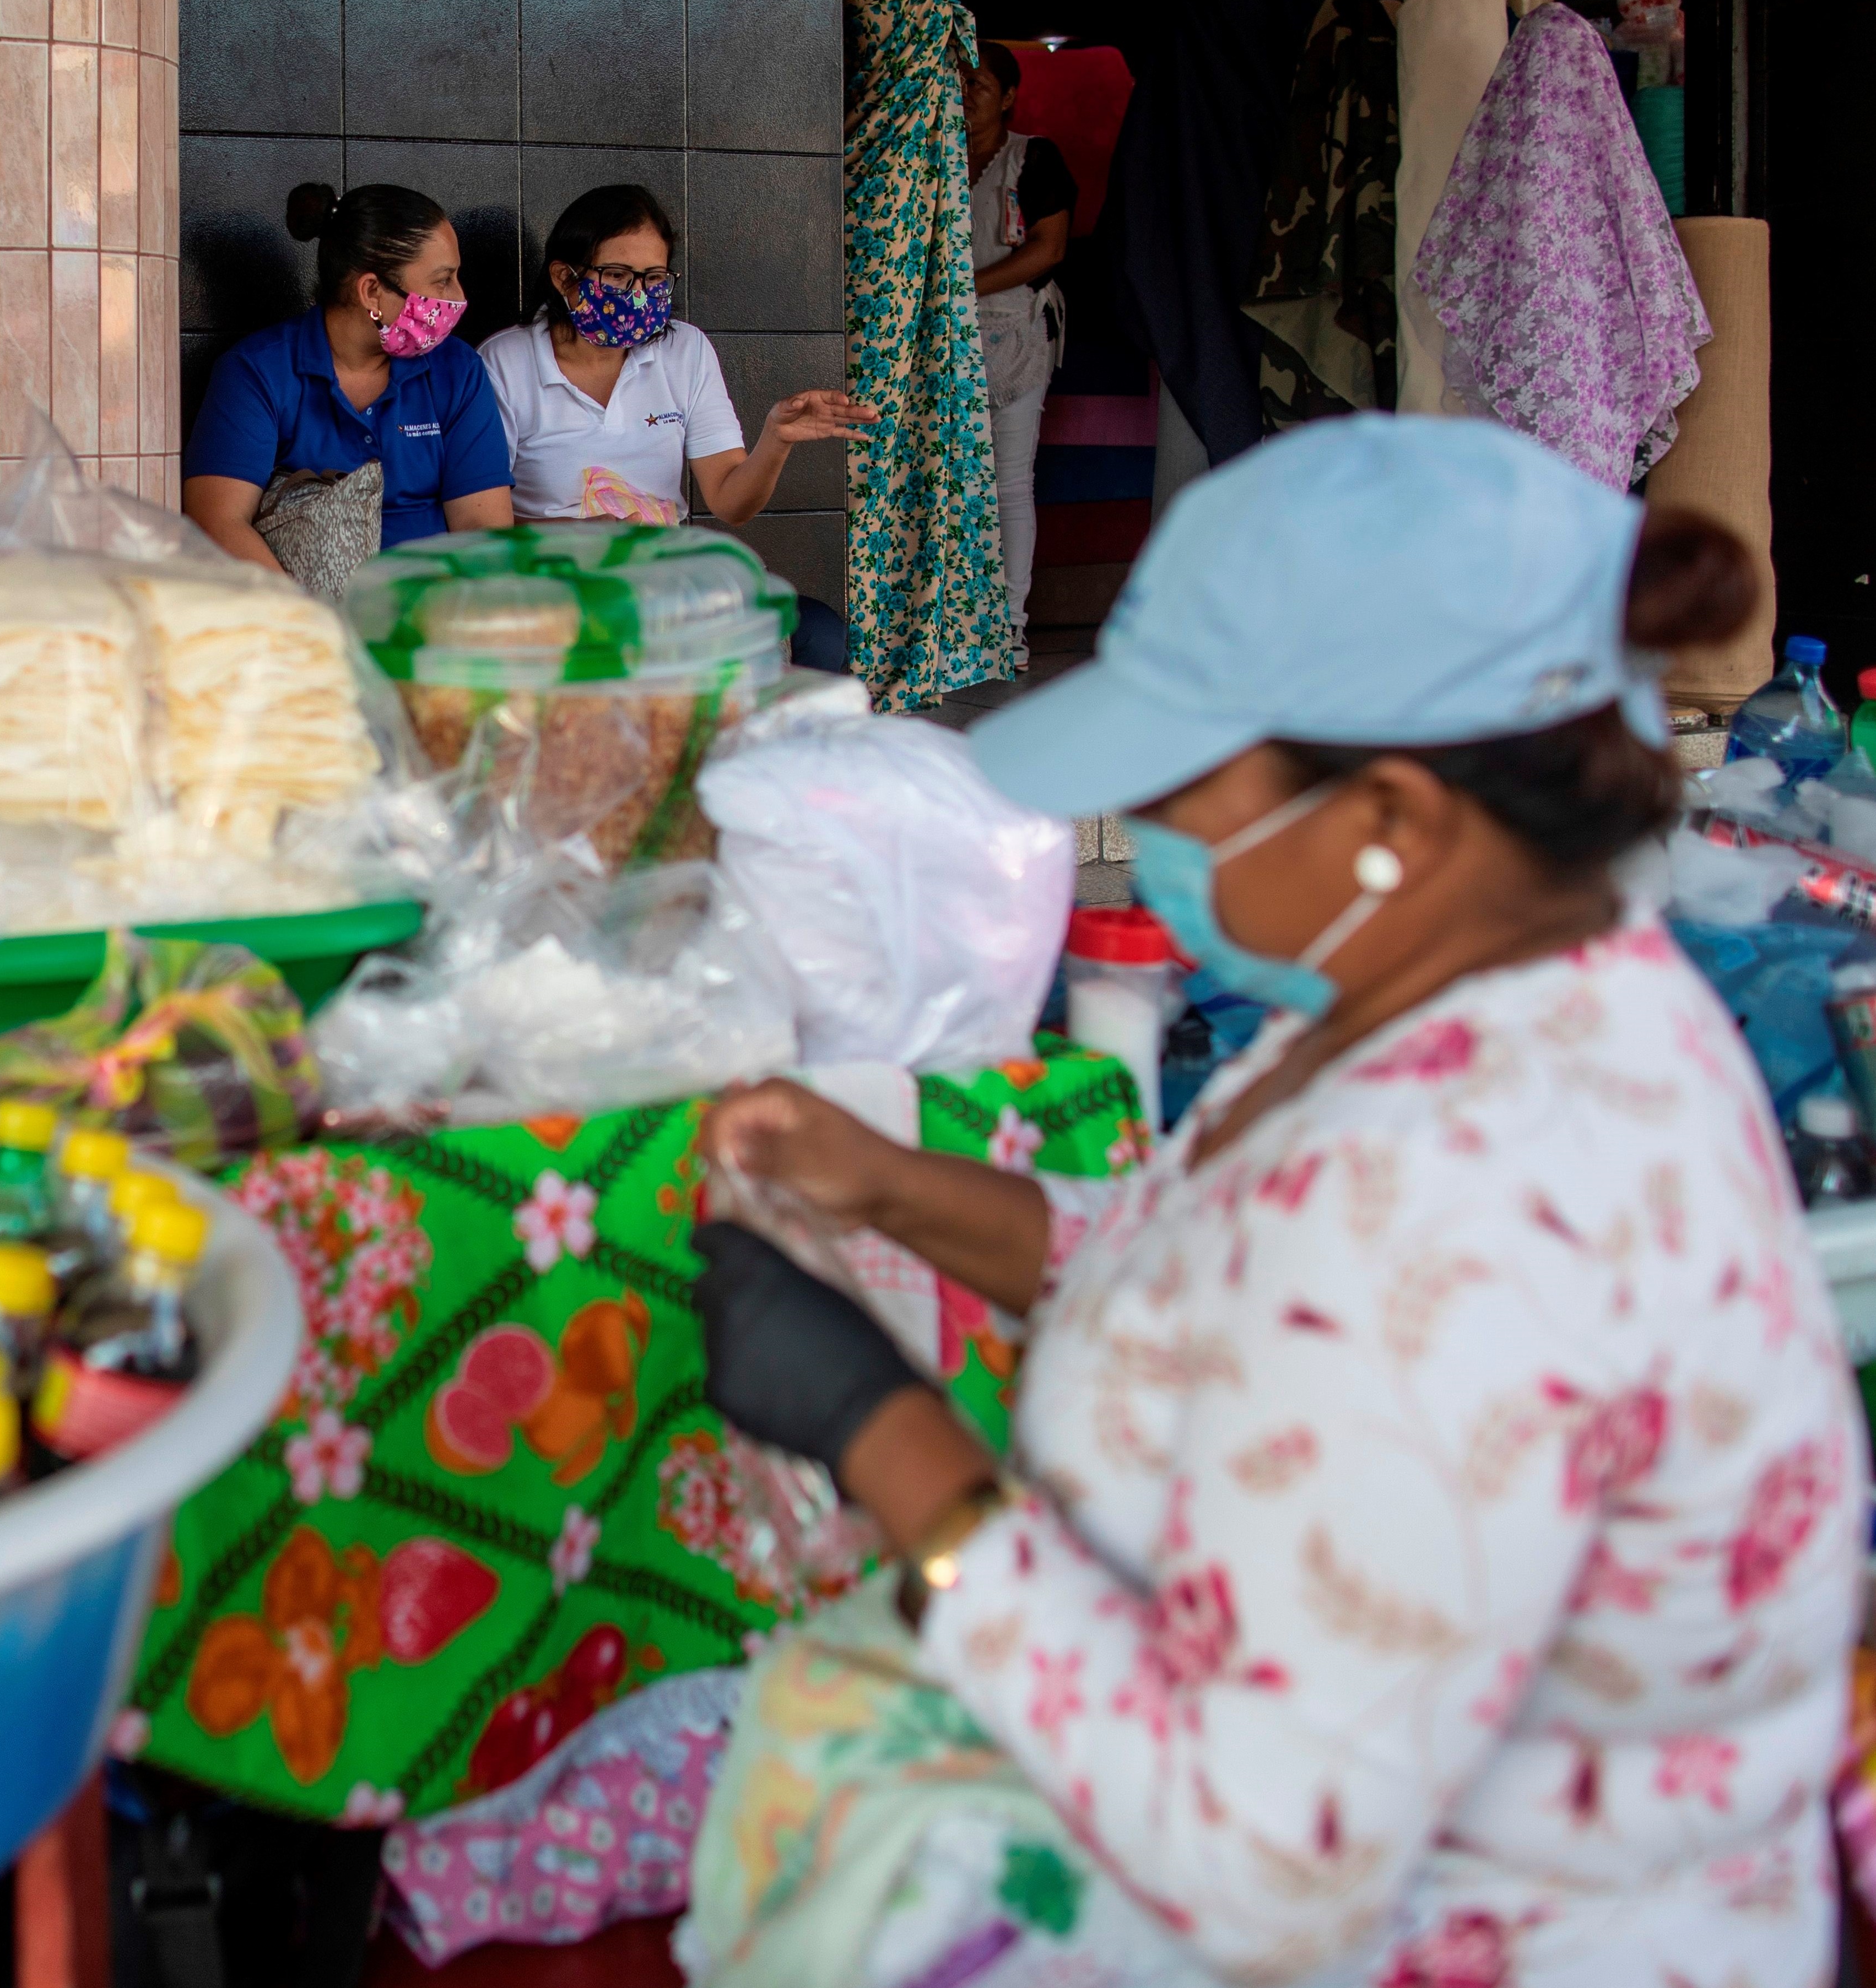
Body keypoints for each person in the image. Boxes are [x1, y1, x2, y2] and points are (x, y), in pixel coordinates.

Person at [682, 417, 1862, 1987]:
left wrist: (889, 1436)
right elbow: (1225, 1280)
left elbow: (1259, 1857)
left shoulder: (1462, 1198)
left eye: (1172, 784)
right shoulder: (1502, 988)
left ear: (1390, 823)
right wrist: (892, 1185)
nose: (1143, 834)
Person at [476, 183, 868, 670]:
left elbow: (731, 502)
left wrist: (776, 438)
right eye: (617, 276)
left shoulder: (685, 351)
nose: (638, 295)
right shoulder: (504, 363)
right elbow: (480, 529)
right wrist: (579, 535)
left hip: (665, 583)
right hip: (552, 586)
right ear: (565, 278)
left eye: (654, 277)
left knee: (821, 638)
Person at [181, 183, 512, 571]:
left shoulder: (456, 369)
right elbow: (219, 521)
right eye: (442, 280)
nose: (458, 296)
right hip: (298, 611)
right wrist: (311, 623)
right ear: (371, 292)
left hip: (432, 606)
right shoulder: (256, 372)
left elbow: (482, 527)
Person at [965, 40, 1073, 668]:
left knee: (1009, 482)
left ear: (1007, 97)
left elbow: (1049, 248)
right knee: (951, 477)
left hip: (1013, 332)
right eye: (957, 80)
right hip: (945, 335)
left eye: (979, 82)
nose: (965, 92)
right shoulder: (931, 161)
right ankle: (955, 620)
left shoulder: (1034, 158)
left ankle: (1009, 625)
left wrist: (965, 289)